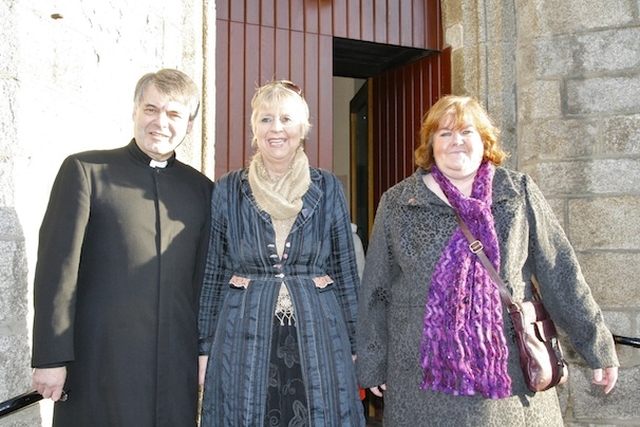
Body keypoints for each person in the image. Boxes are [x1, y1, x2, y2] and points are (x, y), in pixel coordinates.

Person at [355, 95, 619, 426]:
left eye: (467, 131)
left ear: (484, 140)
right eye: (444, 133)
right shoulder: (399, 202)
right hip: (420, 377)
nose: (456, 142)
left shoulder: (516, 191)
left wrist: (598, 347)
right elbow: (376, 290)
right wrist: (373, 361)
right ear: (431, 144)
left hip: (509, 379)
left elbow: (561, 273)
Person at [31, 69, 213, 426]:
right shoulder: (86, 171)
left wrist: (204, 352)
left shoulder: (203, 191)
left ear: (189, 125)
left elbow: (204, 283)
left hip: (174, 370)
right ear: (134, 111)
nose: (160, 122)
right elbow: (57, 271)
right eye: (151, 109)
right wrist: (50, 358)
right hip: (98, 362)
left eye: (174, 114)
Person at [198, 80, 365, 426]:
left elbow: (345, 270)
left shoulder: (328, 186)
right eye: (266, 119)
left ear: (303, 128)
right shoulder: (228, 188)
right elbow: (213, 271)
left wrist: (355, 343)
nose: (276, 128)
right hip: (242, 331)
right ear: (253, 128)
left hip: (319, 331)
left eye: (287, 119)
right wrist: (204, 347)